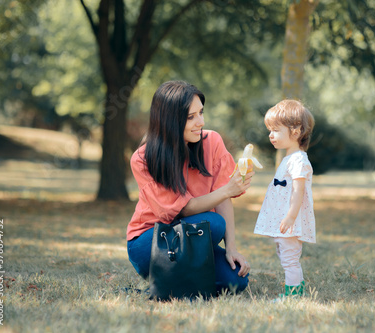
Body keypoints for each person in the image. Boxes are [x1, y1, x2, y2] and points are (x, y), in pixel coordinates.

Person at [127, 80, 252, 295]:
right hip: (152, 241)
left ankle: (175, 281)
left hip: (196, 236)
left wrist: (231, 248)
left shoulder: (212, 142)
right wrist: (226, 190)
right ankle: (172, 277)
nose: (200, 122)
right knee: (213, 224)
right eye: (190, 117)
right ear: (169, 120)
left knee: (236, 281)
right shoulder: (142, 158)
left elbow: (224, 199)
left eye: (201, 113)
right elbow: (180, 210)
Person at [254, 99, 316, 299]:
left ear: (296, 131)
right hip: (285, 218)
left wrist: (290, 217)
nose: (270, 135)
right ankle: (297, 283)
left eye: (276, 130)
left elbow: (299, 191)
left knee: (289, 258)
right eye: (269, 130)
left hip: (291, 219)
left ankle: (294, 294)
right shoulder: (289, 158)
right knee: (284, 254)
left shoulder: (298, 160)